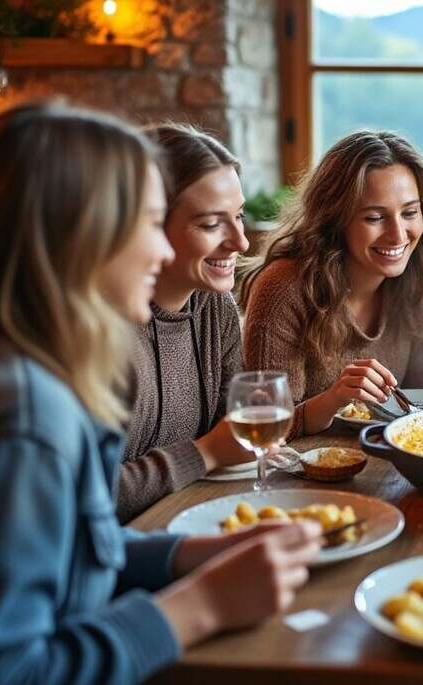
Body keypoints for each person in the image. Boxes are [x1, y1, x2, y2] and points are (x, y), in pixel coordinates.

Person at [0, 102, 320, 685]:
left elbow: (75, 553)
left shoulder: (42, 379)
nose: (163, 251)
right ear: (74, 234)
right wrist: (202, 605)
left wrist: (190, 556)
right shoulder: (23, 423)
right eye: (146, 222)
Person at [241, 130, 423, 436]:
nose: (398, 234)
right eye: (375, 217)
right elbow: (266, 426)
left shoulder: (417, 281)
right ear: (335, 219)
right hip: (298, 472)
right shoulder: (284, 288)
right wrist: (334, 399)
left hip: (381, 463)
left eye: (409, 213)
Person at [115, 123, 253, 522]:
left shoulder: (215, 307)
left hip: (192, 520)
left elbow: (235, 429)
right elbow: (85, 498)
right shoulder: (102, 331)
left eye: (239, 216)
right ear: (148, 225)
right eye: (211, 224)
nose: (240, 242)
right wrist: (205, 452)